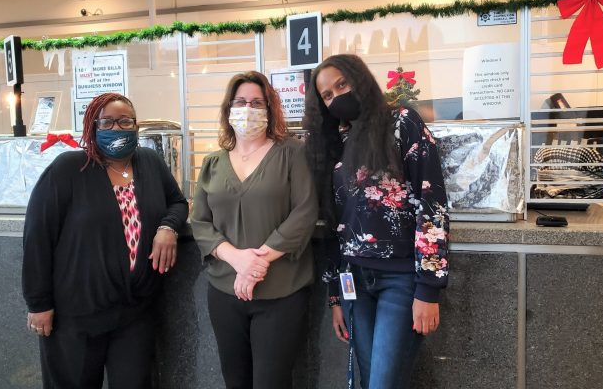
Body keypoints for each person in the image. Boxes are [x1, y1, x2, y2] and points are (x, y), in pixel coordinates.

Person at [22, 92, 188, 389]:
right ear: (92, 126)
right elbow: (37, 236)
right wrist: (38, 303)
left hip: (134, 313)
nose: (118, 128)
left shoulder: (149, 162)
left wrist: (168, 227)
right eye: (108, 121)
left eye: (126, 121)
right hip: (76, 316)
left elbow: (177, 202)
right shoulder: (68, 169)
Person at [303, 54, 450, 389]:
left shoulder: (402, 123)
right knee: (368, 379)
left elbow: (432, 204)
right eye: (327, 95)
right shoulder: (334, 144)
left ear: (360, 78)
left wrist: (429, 288)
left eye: (342, 84)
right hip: (354, 280)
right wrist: (336, 296)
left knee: (382, 382)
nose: (336, 96)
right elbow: (333, 225)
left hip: (401, 280)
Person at [191, 71, 318, 389]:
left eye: (257, 102)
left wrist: (256, 263)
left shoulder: (291, 153)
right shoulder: (213, 163)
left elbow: (305, 212)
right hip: (224, 291)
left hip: (281, 292)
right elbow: (200, 221)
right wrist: (237, 260)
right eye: (241, 102)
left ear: (270, 109)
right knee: (235, 381)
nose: (248, 108)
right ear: (229, 109)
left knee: (270, 383)